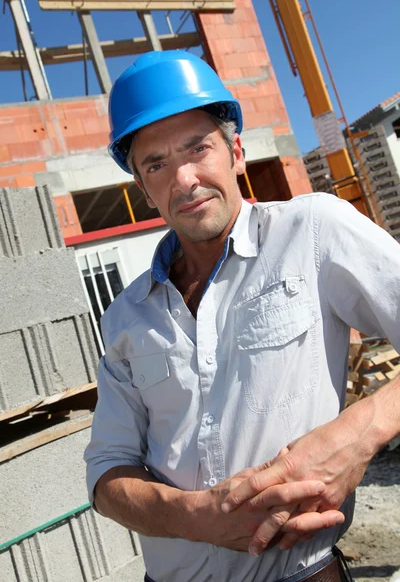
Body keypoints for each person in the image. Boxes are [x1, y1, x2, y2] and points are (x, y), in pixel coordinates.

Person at [84, 50, 400, 582]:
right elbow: (105, 478)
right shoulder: (125, 319)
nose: (183, 179)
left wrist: (360, 431)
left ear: (235, 151)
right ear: (143, 188)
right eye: (156, 164)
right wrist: (195, 518)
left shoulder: (313, 232)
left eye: (197, 148)